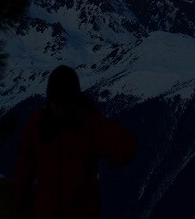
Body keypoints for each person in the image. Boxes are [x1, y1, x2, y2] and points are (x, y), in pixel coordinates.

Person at [13, 65, 137, 219]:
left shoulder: (88, 122)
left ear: (74, 101)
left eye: (65, 103)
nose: (60, 109)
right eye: (57, 103)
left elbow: (125, 143)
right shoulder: (39, 124)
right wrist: (19, 203)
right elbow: (24, 168)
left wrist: (115, 155)